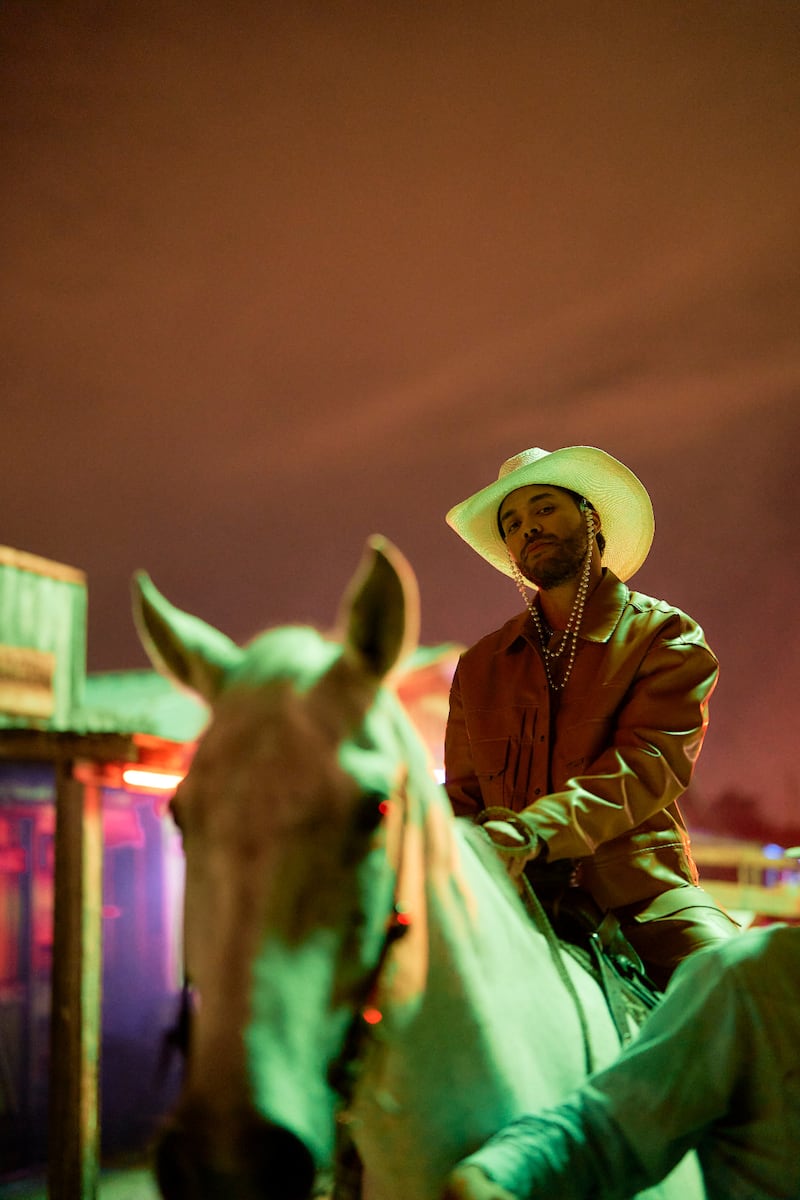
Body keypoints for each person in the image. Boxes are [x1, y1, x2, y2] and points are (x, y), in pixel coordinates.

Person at [444, 445, 738, 986]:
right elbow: (461, 799)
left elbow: (649, 765)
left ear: (591, 518)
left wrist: (534, 832)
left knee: (744, 985)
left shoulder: (664, 636)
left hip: (642, 901)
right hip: (505, 905)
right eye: (512, 523)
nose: (527, 527)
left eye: (543, 508)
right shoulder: (478, 666)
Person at [441, 922, 800, 1200]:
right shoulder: (752, 978)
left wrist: (533, 835)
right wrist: (497, 1172)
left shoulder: (749, 978)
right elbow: (608, 1129)